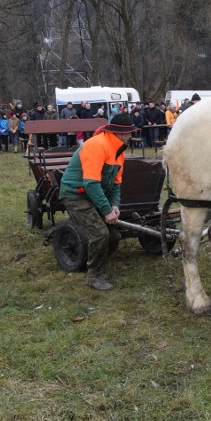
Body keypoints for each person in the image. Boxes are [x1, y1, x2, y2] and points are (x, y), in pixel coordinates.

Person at [58, 113, 140, 290]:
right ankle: (94, 275)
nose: (131, 136)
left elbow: (116, 184)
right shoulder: (97, 145)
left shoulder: (119, 152)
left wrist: (115, 206)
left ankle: (99, 265)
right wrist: (106, 210)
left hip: (94, 194)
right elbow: (91, 183)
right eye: (129, 133)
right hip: (75, 195)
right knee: (100, 233)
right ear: (119, 133)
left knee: (114, 236)